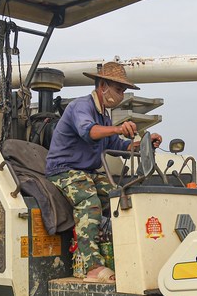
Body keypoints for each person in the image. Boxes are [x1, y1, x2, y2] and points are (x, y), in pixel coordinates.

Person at [46, 62, 162, 283]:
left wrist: (143, 144)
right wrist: (118, 128)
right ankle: (92, 266)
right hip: (63, 170)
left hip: (87, 172)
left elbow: (117, 145)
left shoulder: (104, 116)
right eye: (118, 90)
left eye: (123, 91)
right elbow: (88, 132)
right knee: (89, 200)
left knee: (119, 196)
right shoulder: (81, 107)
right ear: (102, 86)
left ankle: (127, 254)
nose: (121, 95)